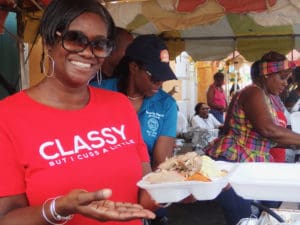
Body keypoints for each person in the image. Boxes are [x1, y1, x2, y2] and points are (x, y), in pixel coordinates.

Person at [0, 1, 157, 225]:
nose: (88, 53)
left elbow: (145, 191)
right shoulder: (7, 117)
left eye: (100, 44)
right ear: (48, 41)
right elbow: (6, 219)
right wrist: (58, 209)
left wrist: (174, 190)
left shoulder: (120, 105)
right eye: (75, 39)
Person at [204, 51, 300, 225]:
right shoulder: (253, 92)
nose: (286, 84)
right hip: (236, 163)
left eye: (288, 79)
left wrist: (292, 144)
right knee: (244, 219)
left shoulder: (267, 97)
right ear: (266, 75)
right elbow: (268, 130)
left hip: (251, 164)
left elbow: (265, 137)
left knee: (270, 210)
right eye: (283, 77)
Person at [91, 34, 178, 170]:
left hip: (146, 184)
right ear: (134, 67)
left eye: (163, 78)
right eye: (155, 77)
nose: (159, 83)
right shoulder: (97, 92)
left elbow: (161, 165)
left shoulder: (166, 105)